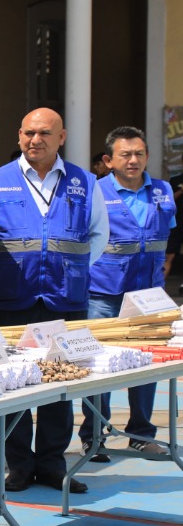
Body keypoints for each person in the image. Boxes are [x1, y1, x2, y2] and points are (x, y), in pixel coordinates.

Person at [0, 107, 108, 494]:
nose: (35, 140)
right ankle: (18, 464)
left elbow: (98, 236)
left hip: (63, 299)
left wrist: (70, 270)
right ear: (19, 135)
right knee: (12, 384)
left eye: (44, 133)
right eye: (28, 133)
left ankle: (53, 464)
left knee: (60, 384)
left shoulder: (85, 183)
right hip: (9, 298)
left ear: (61, 137)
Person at [79, 126, 175, 459]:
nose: (133, 160)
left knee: (146, 364)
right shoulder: (94, 191)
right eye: (125, 155)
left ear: (147, 156)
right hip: (103, 293)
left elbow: (167, 237)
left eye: (139, 154)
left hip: (148, 295)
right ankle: (93, 437)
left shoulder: (163, 191)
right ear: (108, 160)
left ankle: (140, 433)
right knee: (99, 368)